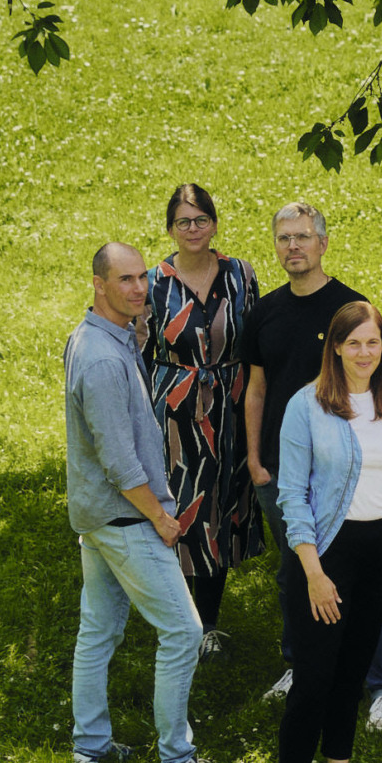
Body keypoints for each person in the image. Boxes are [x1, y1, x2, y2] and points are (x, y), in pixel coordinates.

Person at [238, 201, 382, 717]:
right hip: (280, 471)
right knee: (295, 573)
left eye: (303, 237)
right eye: (284, 238)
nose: (293, 246)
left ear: (323, 243)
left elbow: (379, 384)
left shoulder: (349, 310)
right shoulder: (264, 312)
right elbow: (256, 390)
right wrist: (254, 458)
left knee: (362, 576)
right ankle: (303, 664)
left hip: (343, 471)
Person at [65, 242, 218, 763]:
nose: (137, 289)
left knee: (98, 629)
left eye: (141, 279)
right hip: (125, 517)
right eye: (123, 280)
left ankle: (90, 746)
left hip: (98, 516)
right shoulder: (103, 357)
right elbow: (118, 459)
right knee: (184, 631)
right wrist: (160, 517)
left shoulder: (102, 337)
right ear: (98, 285)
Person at [272, 302, 382, 763]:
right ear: (335, 346)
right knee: (313, 678)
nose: (365, 353)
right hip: (325, 557)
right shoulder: (306, 405)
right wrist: (313, 573)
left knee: (352, 671)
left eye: (374, 343)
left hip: (380, 553)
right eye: (355, 343)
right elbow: (291, 495)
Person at [143, 183, 262, 663]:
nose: (193, 229)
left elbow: (255, 337)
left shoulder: (241, 275)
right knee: (183, 510)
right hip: (175, 412)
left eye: (201, 220)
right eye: (183, 222)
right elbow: (139, 351)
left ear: (214, 224)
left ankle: (208, 624)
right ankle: (180, 619)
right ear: (170, 228)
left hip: (231, 407)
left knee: (221, 510)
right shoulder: (153, 283)